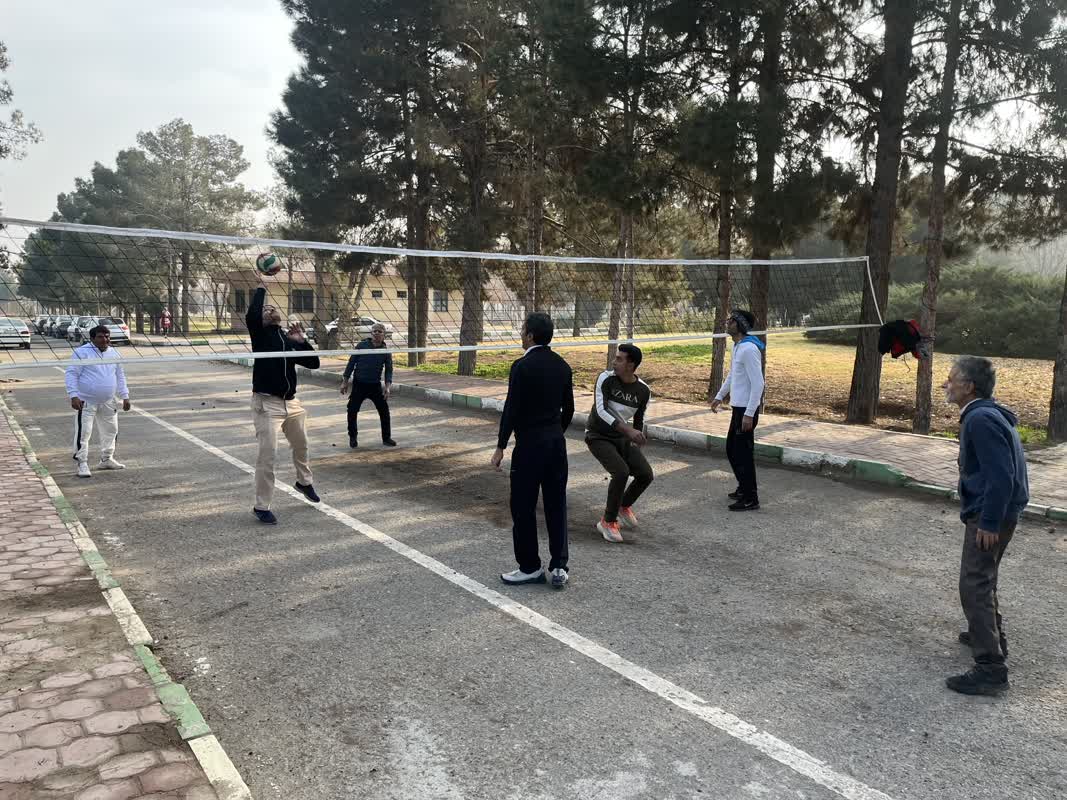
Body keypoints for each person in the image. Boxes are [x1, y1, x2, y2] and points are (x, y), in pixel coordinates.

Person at [942, 356, 1029, 696]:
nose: (946, 384)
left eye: (952, 379)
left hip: (991, 513)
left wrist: (989, 522)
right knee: (984, 576)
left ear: (969, 387)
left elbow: (1002, 476)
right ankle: (990, 635)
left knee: (974, 583)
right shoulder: (986, 413)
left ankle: (991, 667)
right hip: (997, 510)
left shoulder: (980, 420)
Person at [491, 312, 575, 589]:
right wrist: (555, 433)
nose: (520, 335)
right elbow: (569, 409)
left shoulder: (521, 366)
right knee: (556, 504)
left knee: (523, 506)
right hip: (556, 445)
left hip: (529, 446)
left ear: (529, 335)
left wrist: (501, 446)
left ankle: (530, 567)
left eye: (522, 330)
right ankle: (559, 566)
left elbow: (511, 409)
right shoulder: (563, 365)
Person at [246, 285, 321, 525]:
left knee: (302, 445)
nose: (270, 310)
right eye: (266, 310)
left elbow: (314, 363)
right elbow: (252, 314)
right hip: (267, 404)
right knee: (268, 455)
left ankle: (304, 482)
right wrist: (261, 286)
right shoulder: (260, 335)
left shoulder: (288, 339)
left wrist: (301, 342)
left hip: (292, 403)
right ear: (261, 319)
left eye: (272, 308)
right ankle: (261, 506)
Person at [585, 344, 653, 543]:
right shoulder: (605, 378)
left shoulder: (643, 390)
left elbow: (639, 418)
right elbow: (601, 411)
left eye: (619, 359)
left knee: (645, 474)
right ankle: (607, 521)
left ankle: (623, 506)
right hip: (598, 435)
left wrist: (637, 438)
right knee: (621, 472)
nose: (614, 362)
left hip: (622, 437)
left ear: (631, 365)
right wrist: (628, 431)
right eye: (615, 358)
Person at [710, 309, 765, 511]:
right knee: (732, 450)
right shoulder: (738, 346)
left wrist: (749, 414)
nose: (728, 322)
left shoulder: (749, 349)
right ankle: (743, 488)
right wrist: (719, 396)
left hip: (746, 411)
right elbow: (733, 375)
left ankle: (751, 498)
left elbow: (758, 384)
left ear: (740, 325)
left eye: (732, 320)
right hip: (738, 408)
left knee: (743, 454)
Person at [65, 325, 132, 478]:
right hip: (86, 400)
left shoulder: (114, 353)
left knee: (111, 430)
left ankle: (107, 459)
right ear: (92, 338)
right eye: (101, 337)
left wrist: (125, 396)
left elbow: (120, 376)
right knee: (84, 433)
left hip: (108, 400)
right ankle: (82, 463)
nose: (105, 340)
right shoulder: (82, 352)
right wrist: (73, 395)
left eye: (107, 336)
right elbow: (71, 374)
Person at [340, 323, 396, 448]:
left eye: (379, 331)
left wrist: (387, 387)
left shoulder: (386, 351)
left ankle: (386, 438)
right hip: (359, 384)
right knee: (352, 410)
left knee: (384, 411)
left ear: (384, 334)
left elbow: (389, 370)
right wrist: (345, 381)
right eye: (374, 331)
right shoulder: (362, 346)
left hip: (375, 385)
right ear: (371, 333)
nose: (376, 333)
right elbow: (351, 363)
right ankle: (353, 437)